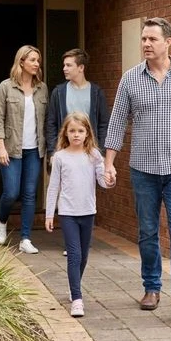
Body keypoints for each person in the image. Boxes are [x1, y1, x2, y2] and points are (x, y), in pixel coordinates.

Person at [104, 17, 171, 320]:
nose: (146, 44)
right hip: (143, 169)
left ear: (168, 42)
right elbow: (117, 122)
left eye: (152, 39)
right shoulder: (130, 79)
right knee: (148, 231)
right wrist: (109, 161)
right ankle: (152, 288)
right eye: (143, 39)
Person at [45, 112, 114, 317]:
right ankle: (77, 298)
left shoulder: (93, 155)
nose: (76, 135)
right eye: (72, 131)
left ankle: (73, 287)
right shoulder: (59, 157)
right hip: (67, 213)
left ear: (87, 133)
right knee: (74, 255)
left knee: (83, 256)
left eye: (80, 131)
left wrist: (110, 179)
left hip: (88, 211)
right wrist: (50, 214)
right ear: (65, 133)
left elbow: (102, 181)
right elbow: (53, 187)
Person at [46, 48, 110, 256]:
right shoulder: (58, 92)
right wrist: (52, 151)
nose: (64, 69)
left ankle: (83, 239)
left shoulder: (96, 92)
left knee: (86, 191)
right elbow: (52, 122)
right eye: (64, 65)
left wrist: (98, 150)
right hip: (64, 152)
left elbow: (102, 123)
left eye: (69, 65)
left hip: (89, 153)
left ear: (80, 68)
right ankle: (71, 243)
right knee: (65, 191)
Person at [0, 45, 48, 254]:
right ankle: (2, 221)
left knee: (29, 194)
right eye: (33, 60)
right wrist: (1, 147)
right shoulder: (5, 87)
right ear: (21, 62)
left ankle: (25, 238)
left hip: (34, 149)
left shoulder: (42, 88)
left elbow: (46, 120)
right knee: (11, 192)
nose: (36, 64)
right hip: (11, 148)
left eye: (38, 61)